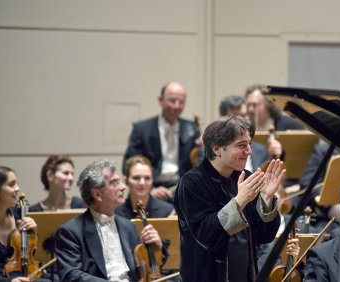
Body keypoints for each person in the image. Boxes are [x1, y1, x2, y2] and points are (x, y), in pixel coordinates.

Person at [174, 115, 285, 281]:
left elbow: (264, 236)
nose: (249, 151)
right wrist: (239, 201)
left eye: (249, 144)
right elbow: (207, 236)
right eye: (241, 145)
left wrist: (267, 199)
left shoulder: (246, 177)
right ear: (217, 149)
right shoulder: (192, 182)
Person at [55, 159, 162, 281]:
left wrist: (155, 248)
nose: (123, 187)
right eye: (115, 182)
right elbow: (71, 275)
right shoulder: (70, 232)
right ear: (97, 195)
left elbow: (143, 271)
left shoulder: (128, 226)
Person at [123, 81, 200, 202]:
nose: (176, 106)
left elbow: (197, 166)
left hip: (181, 189)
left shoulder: (191, 129)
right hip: (151, 189)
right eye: (172, 101)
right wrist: (151, 189)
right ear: (160, 100)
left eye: (181, 102)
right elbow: (128, 165)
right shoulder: (142, 129)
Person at [0, 166, 47, 282]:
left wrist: (34, 233)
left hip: (24, 274)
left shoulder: (20, 215)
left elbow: (37, 257)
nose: (18, 189)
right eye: (11, 185)